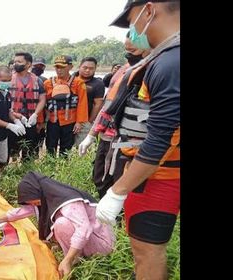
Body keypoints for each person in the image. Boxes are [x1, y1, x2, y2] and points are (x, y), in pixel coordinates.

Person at [95, 1, 180, 279]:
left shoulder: (169, 62)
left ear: (149, 10)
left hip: (161, 178)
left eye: (132, 21)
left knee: (147, 252)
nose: (132, 31)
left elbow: (160, 139)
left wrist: (117, 191)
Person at [0, 171, 115, 279]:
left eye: (34, 202)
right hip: (91, 239)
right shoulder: (48, 196)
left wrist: (67, 260)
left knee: (61, 225)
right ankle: (73, 255)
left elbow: (84, 229)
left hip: (102, 243)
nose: (34, 205)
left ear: (39, 193)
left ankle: (74, 260)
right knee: (59, 225)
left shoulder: (69, 202)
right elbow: (24, 211)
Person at [79, 35, 150, 199]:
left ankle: (117, 216)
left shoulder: (155, 70)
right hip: (108, 135)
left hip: (129, 139)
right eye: (127, 50)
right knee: (100, 175)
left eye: (132, 49)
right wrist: (91, 135)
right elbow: (107, 106)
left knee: (116, 177)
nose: (129, 53)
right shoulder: (124, 72)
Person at [44, 55, 88, 156]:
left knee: (66, 148)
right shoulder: (47, 83)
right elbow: (44, 103)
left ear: (70, 67)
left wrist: (79, 122)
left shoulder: (78, 83)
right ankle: (50, 168)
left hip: (70, 121)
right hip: (52, 121)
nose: (59, 70)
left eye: (62, 67)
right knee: (50, 146)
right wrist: (42, 121)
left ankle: (63, 168)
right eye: (57, 67)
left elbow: (82, 103)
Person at [8, 52, 46, 160]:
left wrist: (35, 114)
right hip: (13, 119)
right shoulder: (9, 79)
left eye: (19, 62)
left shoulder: (37, 80)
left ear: (28, 64)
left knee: (29, 149)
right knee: (11, 150)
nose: (16, 64)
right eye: (15, 61)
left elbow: (42, 99)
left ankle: (27, 171)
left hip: (30, 120)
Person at [74, 57, 105, 146]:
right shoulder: (71, 79)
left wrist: (90, 121)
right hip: (69, 119)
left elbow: (98, 104)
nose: (87, 70)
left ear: (95, 69)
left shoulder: (98, 84)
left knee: (82, 146)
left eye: (91, 68)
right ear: (79, 66)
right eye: (85, 67)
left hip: (85, 121)